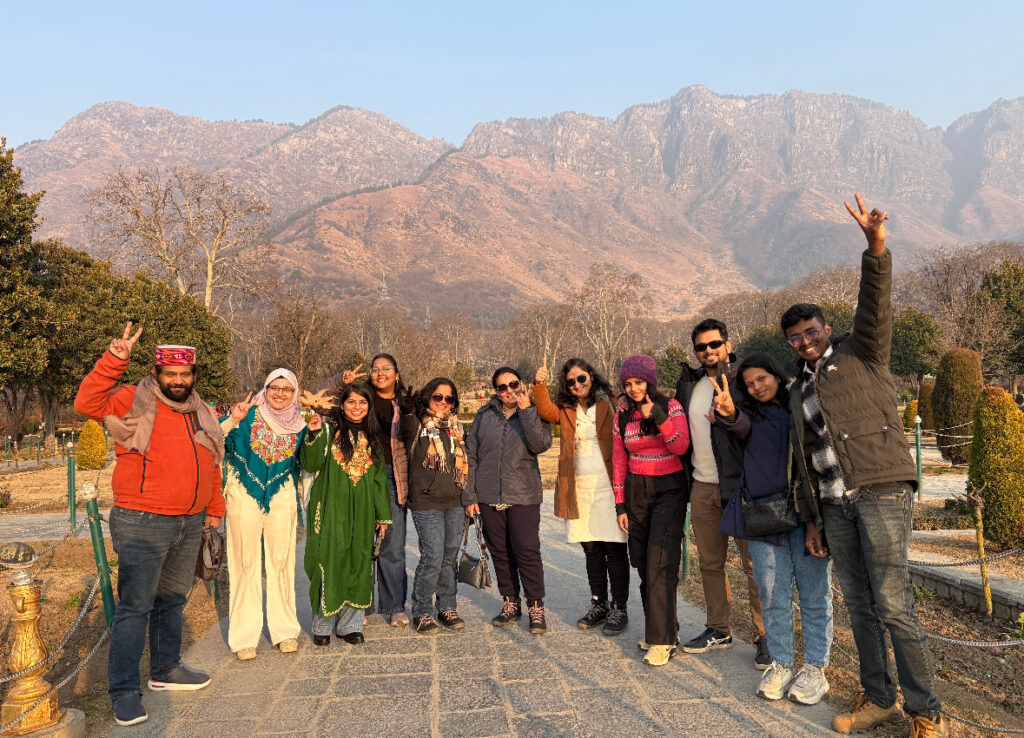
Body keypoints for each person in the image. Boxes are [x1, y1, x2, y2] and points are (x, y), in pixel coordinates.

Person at [783, 194, 943, 737]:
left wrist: (874, 246)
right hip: (835, 506)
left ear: (826, 328)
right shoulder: (796, 387)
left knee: (895, 604)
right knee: (861, 606)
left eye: (811, 331)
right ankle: (881, 700)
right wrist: (813, 519)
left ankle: (927, 712)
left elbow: (876, 301)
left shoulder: (863, 351)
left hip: (879, 491)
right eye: (796, 338)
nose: (806, 341)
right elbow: (804, 462)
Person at [74, 326, 224, 727]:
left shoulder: (199, 410)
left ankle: (165, 669)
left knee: (172, 601)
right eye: (170, 373)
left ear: (193, 374)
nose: (178, 380)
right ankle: (123, 690)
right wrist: (113, 358)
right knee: (134, 607)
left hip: (189, 521)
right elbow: (87, 402)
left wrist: (214, 508)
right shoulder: (131, 398)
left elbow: (210, 462)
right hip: (142, 520)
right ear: (157, 372)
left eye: (185, 374)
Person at [711, 354, 833, 705]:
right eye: (749, 383)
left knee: (814, 594)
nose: (757, 387)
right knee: (773, 596)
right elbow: (738, 426)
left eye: (762, 378)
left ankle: (814, 668)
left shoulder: (801, 405)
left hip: (807, 513)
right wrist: (729, 412)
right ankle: (781, 663)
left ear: (776, 375)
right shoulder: (751, 414)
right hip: (765, 517)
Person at [675, 319, 769, 668]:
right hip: (702, 485)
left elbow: (761, 428)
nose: (709, 351)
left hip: (741, 487)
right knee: (710, 563)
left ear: (728, 344)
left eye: (715, 344)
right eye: (701, 347)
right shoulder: (690, 384)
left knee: (753, 565)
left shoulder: (747, 379)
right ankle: (719, 628)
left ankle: (765, 636)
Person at [534, 357, 629, 635]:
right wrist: (540, 384)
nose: (577, 385)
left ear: (591, 376)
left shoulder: (611, 401)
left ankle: (619, 607)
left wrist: (623, 397)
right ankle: (598, 603)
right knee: (591, 549)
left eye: (581, 379)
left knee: (614, 548)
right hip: (578, 489)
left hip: (610, 488)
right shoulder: (566, 409)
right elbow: (544, 409)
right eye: (570, 381)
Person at [318, 354, 410, 627]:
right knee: (360, 542)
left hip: (392, 477)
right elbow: (316, 400)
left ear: (396, 372)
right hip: (358, 474)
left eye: (387, 369)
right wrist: (339, 382)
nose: (380, 373)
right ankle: (362, 606)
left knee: (392, 544)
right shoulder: (359, 398)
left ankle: (394, 605)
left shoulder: (405, 401)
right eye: (375, 369)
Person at [220, 369, 306, 661]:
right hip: (243, 493)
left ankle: (285, 631)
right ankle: (244, 637)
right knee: (244, 561)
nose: (280, 394)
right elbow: (212, 439)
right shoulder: (247, 416)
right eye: (274, 387)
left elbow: (309, 459)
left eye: (287, 389)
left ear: (294, 393)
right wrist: (233, 419)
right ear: (265, 388)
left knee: (281, 562)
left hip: (282, 495)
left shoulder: (301, 424)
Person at [613, 354, 690, 667]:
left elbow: (681, 445)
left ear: (650, 382)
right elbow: (619, 461)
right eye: (627, 384)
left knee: (660, 561)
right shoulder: (623, 416)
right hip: (637, 491)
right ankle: (663, 628)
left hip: (669, 490)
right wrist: (620, 504)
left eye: (638, 382)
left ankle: (663, 640)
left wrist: (657, 416)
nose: (632, 388)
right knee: (644, 564)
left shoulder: (670, 407)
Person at [300, 383, 391, 645]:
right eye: (351, 402)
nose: (357, 408)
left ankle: (350, 625)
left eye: (363, 403)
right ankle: (323, 625)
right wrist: (314, 434)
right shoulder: (328, 431)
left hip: (362, 513)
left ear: (369, 407)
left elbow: (378, 482)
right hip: (330, 509)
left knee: (358, 561)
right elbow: (311, 463)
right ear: (342, 404)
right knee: (329, 562)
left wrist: (382, 517)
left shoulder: (372, 437)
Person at [464, 367, 553, 634]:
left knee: (527, 550)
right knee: (500, 552)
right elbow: (471, 455)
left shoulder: (536, 412)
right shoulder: (483, 415)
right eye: (502, 388)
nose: (509, 391)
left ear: (521, 384)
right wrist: (470, 496)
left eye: (513, 384)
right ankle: (510, 602)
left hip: (523, 494)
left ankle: (535, 606)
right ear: (496, 392)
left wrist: (527, 410)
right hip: (489, 495)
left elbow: (540, 444)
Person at [400, 378, 469, 634]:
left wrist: (469, 501)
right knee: (432, 557)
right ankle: (422, 611)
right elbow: (405, 427)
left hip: (455, 502)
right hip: (426, 503)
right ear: (427, 397)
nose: (442, 402)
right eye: (437, 397)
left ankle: (447, 606)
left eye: (448, 398)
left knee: (449, 557)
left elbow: (467, 465)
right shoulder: (417, 425)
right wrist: (407, 410)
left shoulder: (456, 428)